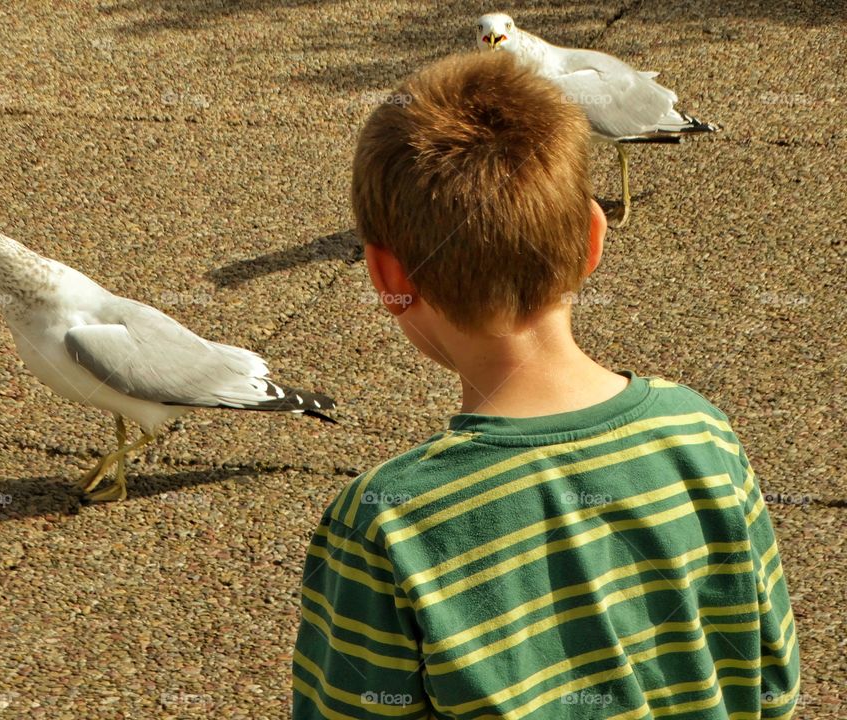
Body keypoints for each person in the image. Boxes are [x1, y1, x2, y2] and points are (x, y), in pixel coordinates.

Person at [292, 52, 800, 720]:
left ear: (388, 279)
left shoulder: (385, 522)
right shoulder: (703, 437)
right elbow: (772, 685)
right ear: (593, 237)